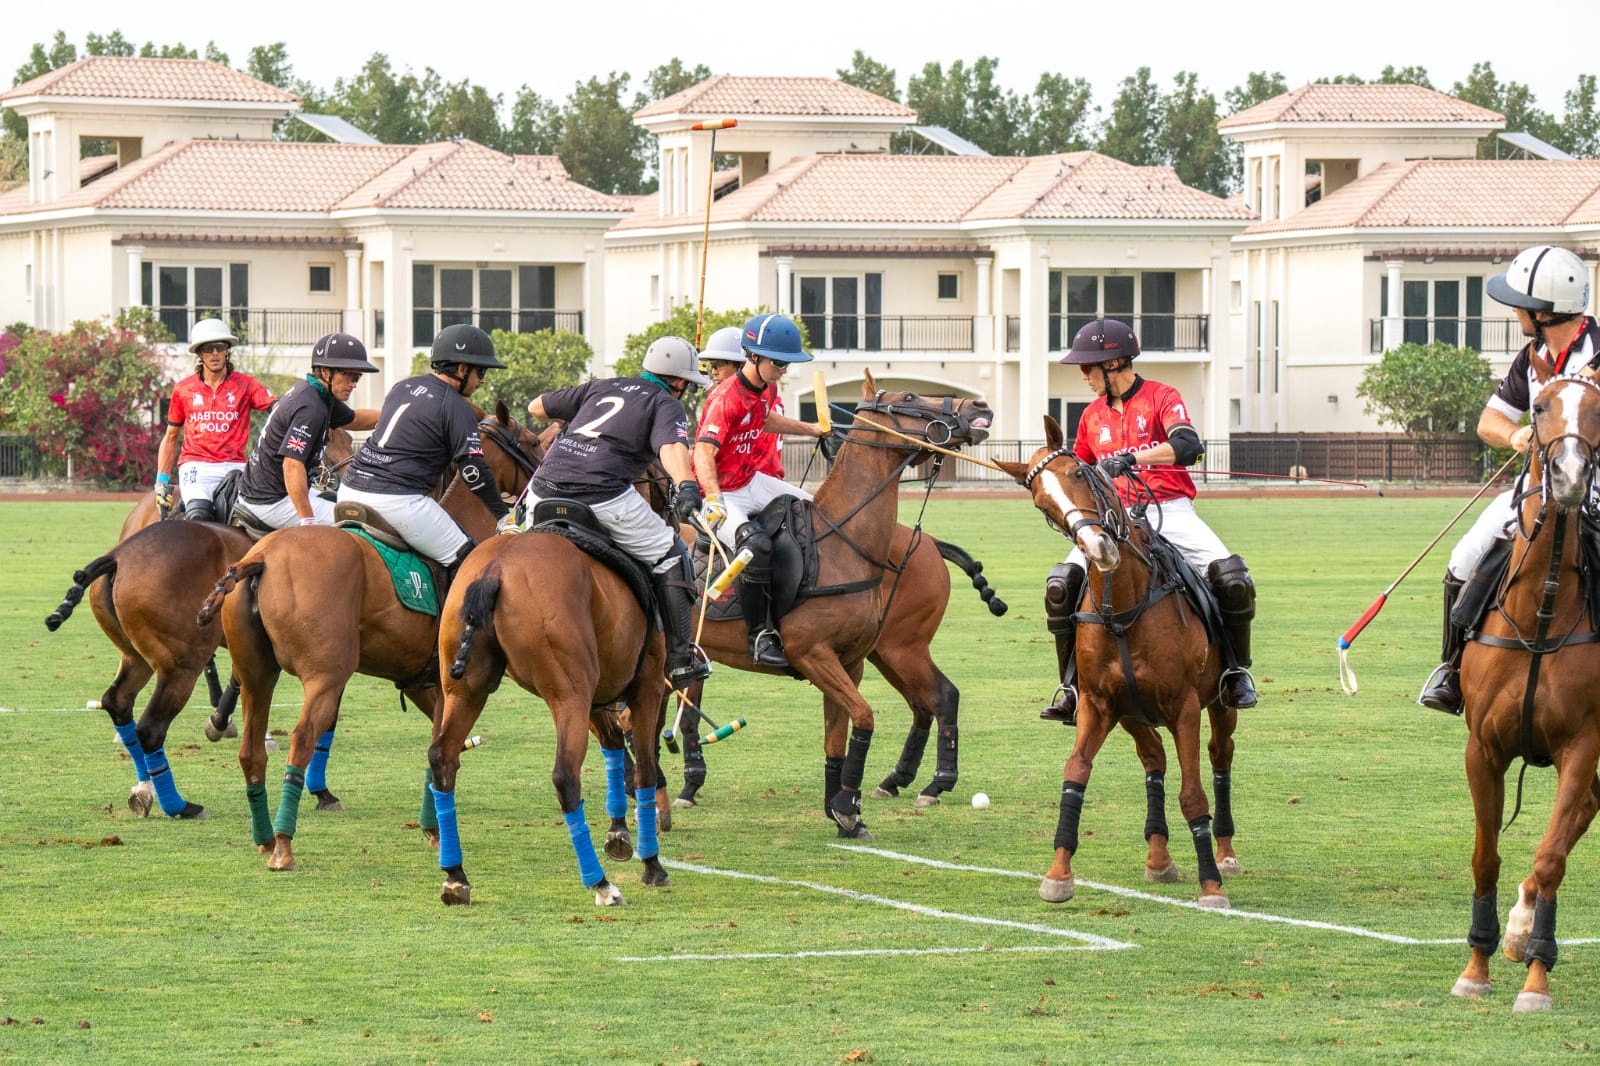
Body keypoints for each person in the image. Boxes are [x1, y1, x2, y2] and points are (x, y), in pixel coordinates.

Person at [1042, 317, 1257, 723]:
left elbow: (1188, 444)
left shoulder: (1162, 396)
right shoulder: (1091, 416)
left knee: (1233, 579)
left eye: (1088, 367)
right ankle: (1071, 686)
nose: (1084, 375)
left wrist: (1133, 458)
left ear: (1114, 364)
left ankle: (1234, 672)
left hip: (1169, 509)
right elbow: (1080, 473)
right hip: (1112, 519)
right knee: (1060, 585)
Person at [1418, 245, 1597, 714]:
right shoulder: (1532, 355)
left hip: (1595, 488)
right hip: (1535, 489)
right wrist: (1517, 433)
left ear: (1543, 311)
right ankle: (1453, 671)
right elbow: (1488, 421)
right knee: (1464, 558)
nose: (1513, 309)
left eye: (1519, 302)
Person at [521, 335, 714, 688]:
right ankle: (680, 659)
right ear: (681, 382)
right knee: (672, 554)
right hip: (601, 495)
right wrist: (686, 484)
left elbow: (536, 407)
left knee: (510, 538)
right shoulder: (665, 403)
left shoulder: (600, 386)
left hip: (542, 491)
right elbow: (671, 447)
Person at [691, 313, 827, 668]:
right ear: (753, 356)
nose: (783, 370)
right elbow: (703, 451)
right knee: (756, 546)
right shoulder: (725, 398)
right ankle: (758, 637)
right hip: (722, 493)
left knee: (818, 510)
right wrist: (714, 499)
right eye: (779, 363)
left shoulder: (765, 388)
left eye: (787, 364)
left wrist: (811, 429)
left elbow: (764, 420)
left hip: (752, 480)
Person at [336, 324, 509, 575]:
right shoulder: (457, 407)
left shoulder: (402, 387)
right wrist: (503, 515)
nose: (482, 380)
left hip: (349, 489)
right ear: (462, 369)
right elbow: (472, 470)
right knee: (473, 565)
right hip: (398, 501)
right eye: (480, 371)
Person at [234, 333, 381, 530]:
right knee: (362, 522)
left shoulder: (316, 394)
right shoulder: (311, 407)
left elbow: (354, 419)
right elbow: (292, 465)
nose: (353, 383)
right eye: (348, 375)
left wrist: (394, 414)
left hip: (267, 491)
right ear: (325, 372)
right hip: (272, 501)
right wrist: (308, 522)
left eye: (357, 377)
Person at [153, 318, 274, 521]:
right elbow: (171, 436)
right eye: (209, 349)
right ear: (199, 353)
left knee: (258, 518)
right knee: (199, 516)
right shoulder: (183, 389)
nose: (215, 353)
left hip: (237, 467)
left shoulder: (247, 385)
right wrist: (161, 481)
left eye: (220, 347)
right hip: (196, 466)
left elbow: (278, 409)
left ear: (228, 350)